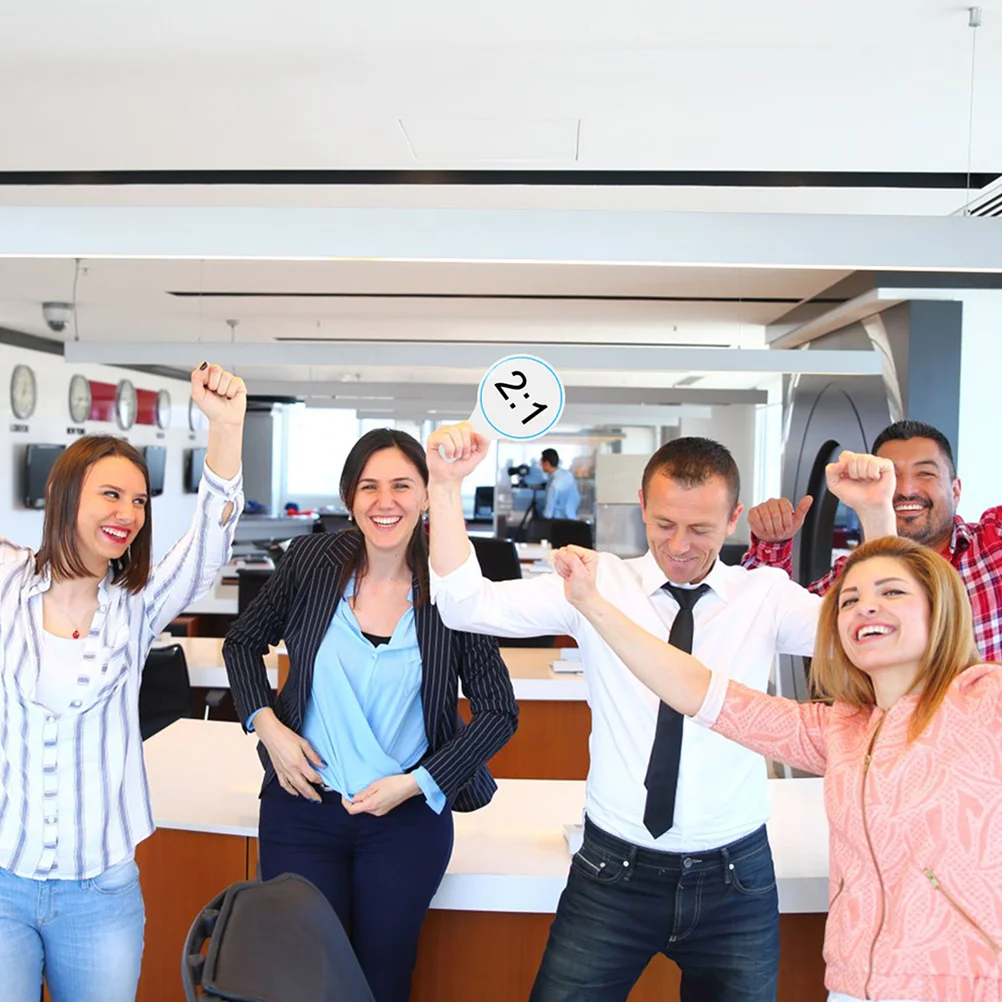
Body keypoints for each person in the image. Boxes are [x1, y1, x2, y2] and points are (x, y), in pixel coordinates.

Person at [426, 423, 860, 1002]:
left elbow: (869, 635)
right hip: (613, 871)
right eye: (664, 525)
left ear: (734, 519)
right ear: (642, 507)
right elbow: (463, 605)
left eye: (702, 529)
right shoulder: (595, 581)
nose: (680, 545)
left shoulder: (766, 597)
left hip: (736, 876)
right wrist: (445, 485)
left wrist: (875, 514)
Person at [552, 490, 1002, 1002]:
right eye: (849, 600)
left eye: (893, 593)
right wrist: (590, 603)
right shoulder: (839, 732)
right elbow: (697, 689)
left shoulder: (986, 700)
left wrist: (876, 508)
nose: (865, 607)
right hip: (858, 987)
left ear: (940, 608)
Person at [222, 428, 518, 1002]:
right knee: (303, 979)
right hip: (303, 805)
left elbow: (498, 712)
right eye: (370, 487)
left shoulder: (453, 580)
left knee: (381, 979)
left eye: (403, 485)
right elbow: (242, 642)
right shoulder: (311, 560)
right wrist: (270, 728)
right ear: (349, 497)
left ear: (427, 494)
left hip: (405, 819)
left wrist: (417, 783)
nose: (386, 502)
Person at [0, 363, 246, 1002]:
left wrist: (225, 427)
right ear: (66, 496)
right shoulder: (8, 585)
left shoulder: (135, 606)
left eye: (139, 500)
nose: (129, 513)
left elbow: (206, 550)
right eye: (111, 494)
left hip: (100, 892)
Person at [742, 419, 1002, 662]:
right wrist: (772, 543)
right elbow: (762, 619)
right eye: (891, 476)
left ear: (955, 490)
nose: (906, 490)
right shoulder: (852, 578)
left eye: (925, 473)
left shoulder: (993, 542)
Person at [540, 448, 580, 520]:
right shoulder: (568, 475)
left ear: (547, 464)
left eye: (541, 463)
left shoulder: (554, 485)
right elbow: (576, 498)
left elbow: (548, 511)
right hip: (572, 518)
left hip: (558, 522)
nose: (540, 465)